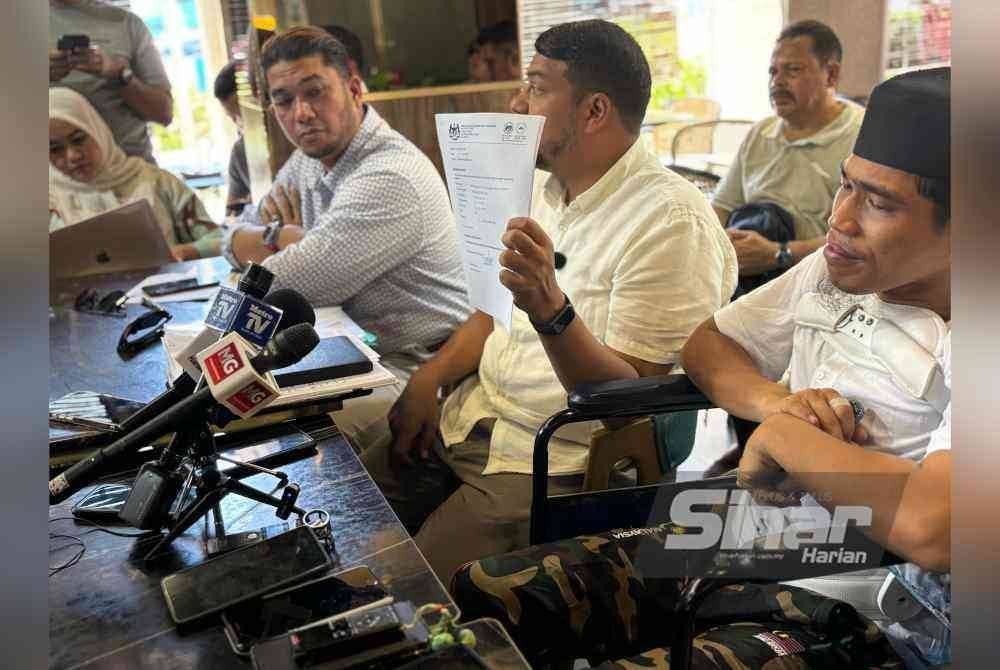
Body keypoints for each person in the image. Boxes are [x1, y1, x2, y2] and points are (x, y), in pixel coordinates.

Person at [452, 67, 951, 670]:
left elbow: (934, 527)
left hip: (875, 592)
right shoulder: (836, 269)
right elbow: (709, 345)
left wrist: (785, 439)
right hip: (755, 531)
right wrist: (775, 404)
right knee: (487, 595)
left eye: (878, 203)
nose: (839, 221)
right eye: (847, 186)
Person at [362, 20, 736, 582]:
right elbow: (493, 313)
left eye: (536, 87)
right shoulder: (539, 188)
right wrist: (429, 378)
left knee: (410, 592)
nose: (517, 103)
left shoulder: (671, 221)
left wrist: (551, 310)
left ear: (593, 111)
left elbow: (630, 399)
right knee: (340, 513)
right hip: (473, 417)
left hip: (555, 458)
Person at [221, 27, 470, 450]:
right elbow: (233, 233)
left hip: (417, 370)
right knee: (229, 411)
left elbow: (278, 286)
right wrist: (280, 233)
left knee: (272, 438)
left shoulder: (388, 176)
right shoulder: (308, 159)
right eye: (283, 100)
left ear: (354, 89)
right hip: (350, 354)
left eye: (315, 92)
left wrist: (285, 248)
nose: (300, 113)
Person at [712, 20, 864, 280]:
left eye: (793, 70)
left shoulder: (862, 137)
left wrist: (779, 253)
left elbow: (863, 237)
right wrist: (720, 244)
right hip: (740, 275)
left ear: (831, 74)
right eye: (773, 72)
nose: (777, 82)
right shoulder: (761, 133)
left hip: (816, 280)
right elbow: (721, 209)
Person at [49, 87, 220, 261]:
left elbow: (221, 241)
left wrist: (185, 251)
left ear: (97, 131)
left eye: (78, 140)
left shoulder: (157, 182)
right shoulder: (50, 204)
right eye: (55, 150)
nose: (73, 156)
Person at [49, 0, 173, 164]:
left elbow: (163, 113)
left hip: (131, 174)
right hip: (53, 181)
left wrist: (117, 74)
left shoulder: (127, 23)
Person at [213, 60, 252, 217]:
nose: (240, 124)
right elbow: (231, 215)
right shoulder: (240, 152)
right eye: (233, 117)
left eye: (243, 114)